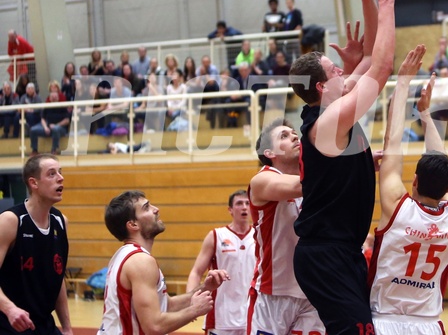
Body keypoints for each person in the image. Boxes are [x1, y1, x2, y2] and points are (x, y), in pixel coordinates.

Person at [289, 0, 403, 335]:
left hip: (341, 251)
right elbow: (382, 67)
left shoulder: (328, 108)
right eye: (334, 68)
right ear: (322, 86)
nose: (342, 68)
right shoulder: (328, 121)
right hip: (326, 255)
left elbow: (370, 58)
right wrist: (386, 2)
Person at [370, 46, 448, 334]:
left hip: (386, 320)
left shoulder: (398, 205)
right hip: (429, 323)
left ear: (413, 180)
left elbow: (392, 142)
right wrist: (426, 115)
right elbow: (441, 160)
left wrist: (402, 83)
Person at [101, 190, 229, 334]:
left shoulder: (126, 255)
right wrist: (195, 310)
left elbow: (166, 305)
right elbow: (154, 326)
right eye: (147, 207)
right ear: (133, 224)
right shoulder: (140, 261)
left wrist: (205, 288)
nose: (156, 209)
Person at [247, 118, 325, 335]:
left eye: (294, 133)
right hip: (273, 294)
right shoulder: (262, 180)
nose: (293, 136)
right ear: (269, 152)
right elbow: (303, 185)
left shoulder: (315, 184)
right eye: (283, 136)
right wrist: (350, 167)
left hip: (312, 293)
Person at [0, 154, 72, 334]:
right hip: (9, 323)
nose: (60, 178)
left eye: (60, 172)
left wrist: (67, 327)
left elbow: (58, 278)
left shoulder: (61, 221)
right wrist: (10, 309)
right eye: (52, 174)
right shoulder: (10, 221)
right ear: (34, 183)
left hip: (43, 324)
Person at [186, 191, 254, 335]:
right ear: (230, 209)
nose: (244, 207)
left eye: (247, 203)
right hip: (221, 318)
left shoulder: (259, 235)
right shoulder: (216, 235)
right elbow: (196, 272)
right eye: (239, 203)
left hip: (253, 316)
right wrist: (190, 301)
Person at [30, 91, 70, 155]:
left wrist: (56, 125)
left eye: (55, 97)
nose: (54, 98)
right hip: (48, 128)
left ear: (58, 98)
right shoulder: (47, 106)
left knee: (55, 129)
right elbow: (43, 119)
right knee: (33, 130)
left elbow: (67, 120)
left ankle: (54, 150)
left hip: (60, 129)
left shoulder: (63, 106)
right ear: (50, 98)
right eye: (52, 97)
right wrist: (45, 127)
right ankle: (34, 150)